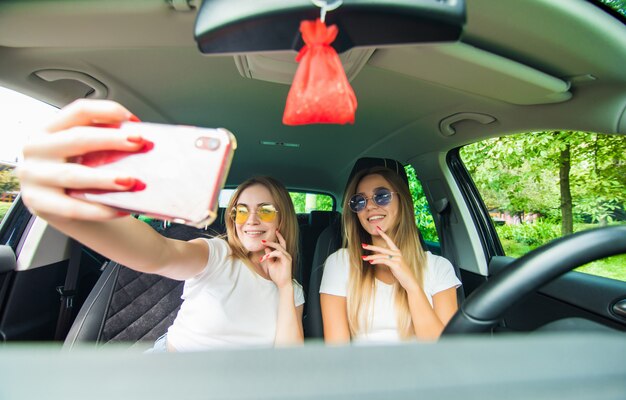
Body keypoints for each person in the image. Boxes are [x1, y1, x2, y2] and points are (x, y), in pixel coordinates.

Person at [17, 99, 304, 351]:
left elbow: (287, 362)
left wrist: (284, 287)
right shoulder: (217, 254)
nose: (251, 220)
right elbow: (160, 253)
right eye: (241, 211)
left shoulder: (291, 287)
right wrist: (70, 209)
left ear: (282, 218)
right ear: (232, 219)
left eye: (265, 211)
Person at [320, 166, 460, 344]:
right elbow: (336, 350)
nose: (370, 206)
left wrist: (411, 284)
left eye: (382, 196)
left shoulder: (439, 267)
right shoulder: (340, 263)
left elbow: (445, 350)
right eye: (360, 201)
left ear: (403, 202)